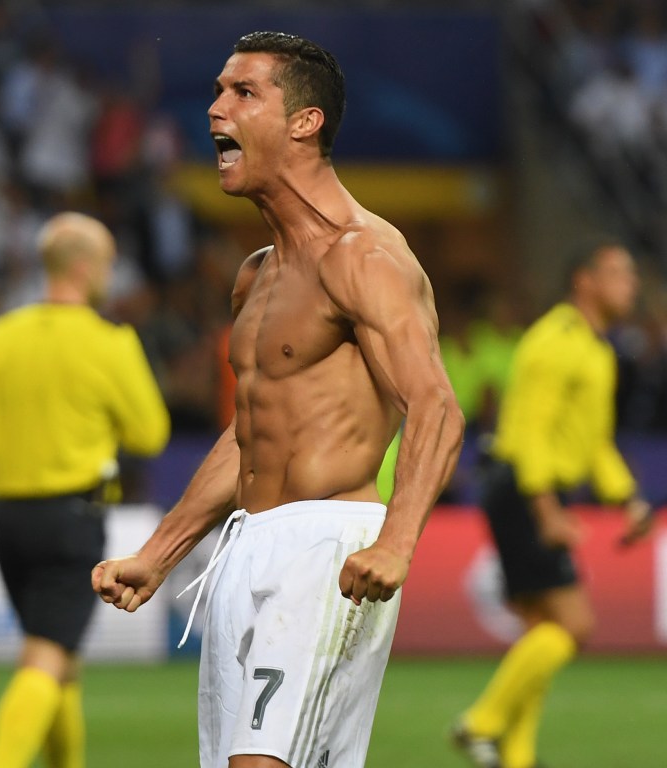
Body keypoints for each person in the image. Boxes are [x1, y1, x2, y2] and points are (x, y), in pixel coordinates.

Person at [92, 31, 465, 768]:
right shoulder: (256, 275)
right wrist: (161, 553)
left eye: (242, 93)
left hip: (329, 548)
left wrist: (396, 540)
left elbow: (437, 408)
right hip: (246, 547)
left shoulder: (365, 257)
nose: (213, 110)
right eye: (217, 91)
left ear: (305, 122)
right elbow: (249, 433)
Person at [0, 211, 170, 768]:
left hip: (8, 523)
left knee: (59, 661)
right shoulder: (109, 343)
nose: (112, 273)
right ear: (83, 267)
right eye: (107, 262)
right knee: (45, 658)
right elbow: (150, 433)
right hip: (73, 521)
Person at [451, 239, 655, 768]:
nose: (629, 284)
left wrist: (627, 497)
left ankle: (517, 757)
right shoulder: (556, 339)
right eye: (617, 272)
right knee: (574, 624)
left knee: (544, 630)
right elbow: (530, 432)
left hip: (531, 487)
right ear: (584, 281)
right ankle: (481, 724)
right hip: (523, 486)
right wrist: (546, 510)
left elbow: (594, 441)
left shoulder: (596, 348)